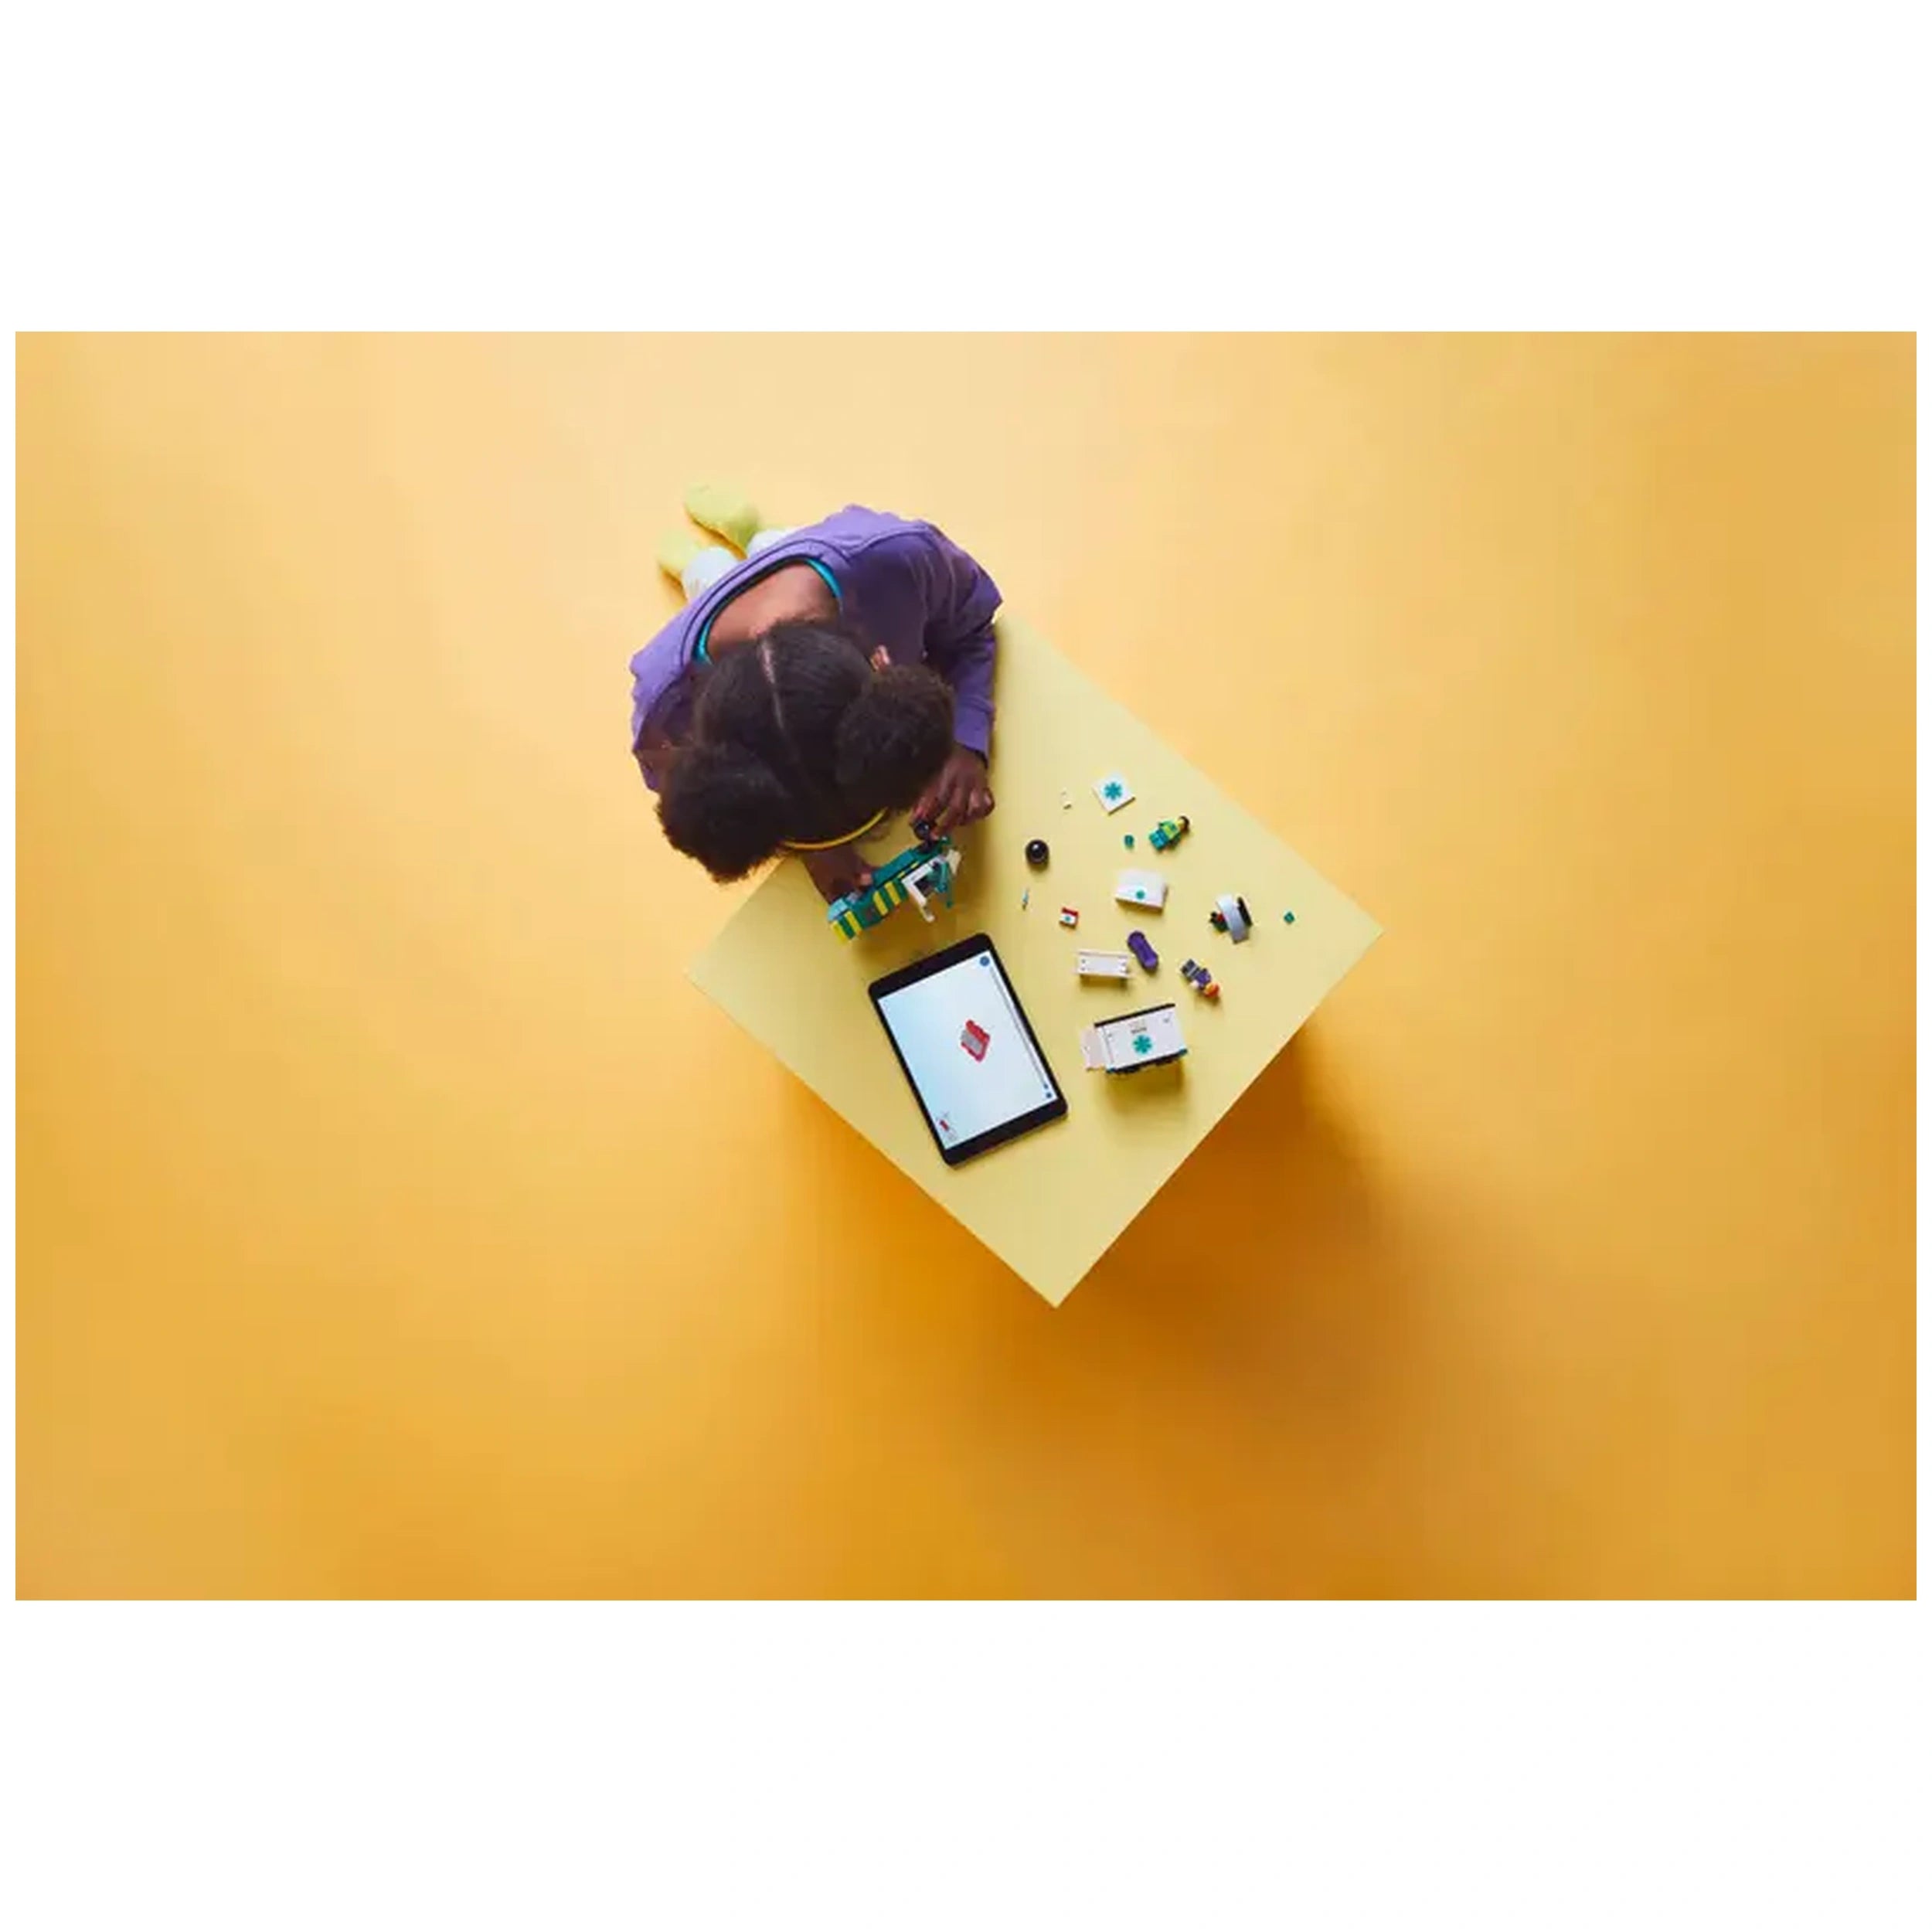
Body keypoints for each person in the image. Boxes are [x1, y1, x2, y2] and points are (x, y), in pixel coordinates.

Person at [629, 486, 1000, 900]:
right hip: (748, 596)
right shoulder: (664, 709)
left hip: (815, 557)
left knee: (770, 544)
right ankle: (700, 566)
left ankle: (749, 533)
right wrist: (819, 849)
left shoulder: (900, 556)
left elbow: (972, 626)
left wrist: (966, 739)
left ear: (884, 666)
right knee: (709, 575)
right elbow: (707, 798)